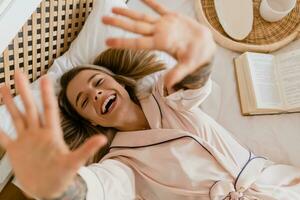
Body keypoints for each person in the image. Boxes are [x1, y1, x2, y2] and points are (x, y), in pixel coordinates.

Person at [0, 0, 299, 199]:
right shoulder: (121, 162)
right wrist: (61, 186)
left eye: (99, 82)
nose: (97, 94)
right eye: (84, 100)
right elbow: (101, 188)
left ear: (119, 83)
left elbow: (192, 84)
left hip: (277, 186)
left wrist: (200, 55)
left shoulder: (164, 97)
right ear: (89, 119)